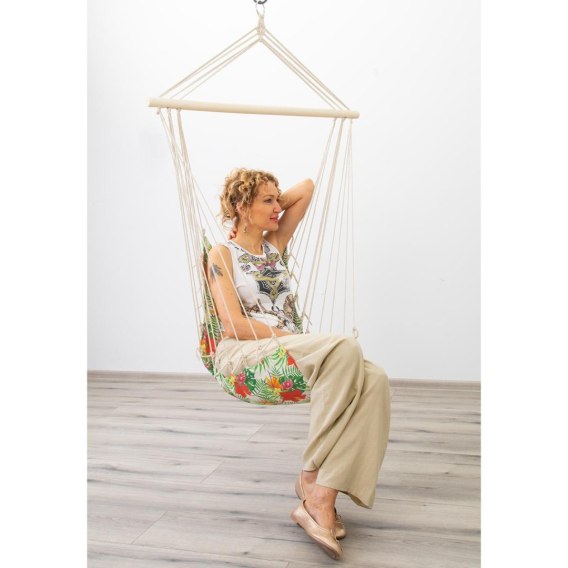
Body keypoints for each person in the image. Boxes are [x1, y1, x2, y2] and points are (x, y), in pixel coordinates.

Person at [206, 168, 392, 560]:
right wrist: (242, 209)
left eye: (278, 199)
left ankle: (321, 494)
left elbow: (306, 188)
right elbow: (233, 323)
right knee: (345, 347)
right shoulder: (222, 254)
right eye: (267, 200)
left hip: (289, 349)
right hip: (246, 355)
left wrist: (263, 206)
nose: (278, 207)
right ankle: (311, 479)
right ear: (242, 206)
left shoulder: (275, 245)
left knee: (374, 378)